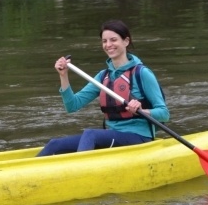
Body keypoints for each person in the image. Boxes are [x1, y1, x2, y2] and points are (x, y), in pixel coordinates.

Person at [37, 20, 169, 156]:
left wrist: (142, 111)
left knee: (91, 134)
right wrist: (63, 76)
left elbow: (164, 114)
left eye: (113, 40)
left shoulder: (142, 73)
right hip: (112, 135)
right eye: (104, 41)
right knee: (54, 144)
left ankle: (81, 167)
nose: (108, 45)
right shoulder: (103, 76)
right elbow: (72, 106)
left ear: (126, 41)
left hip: (139, 138)